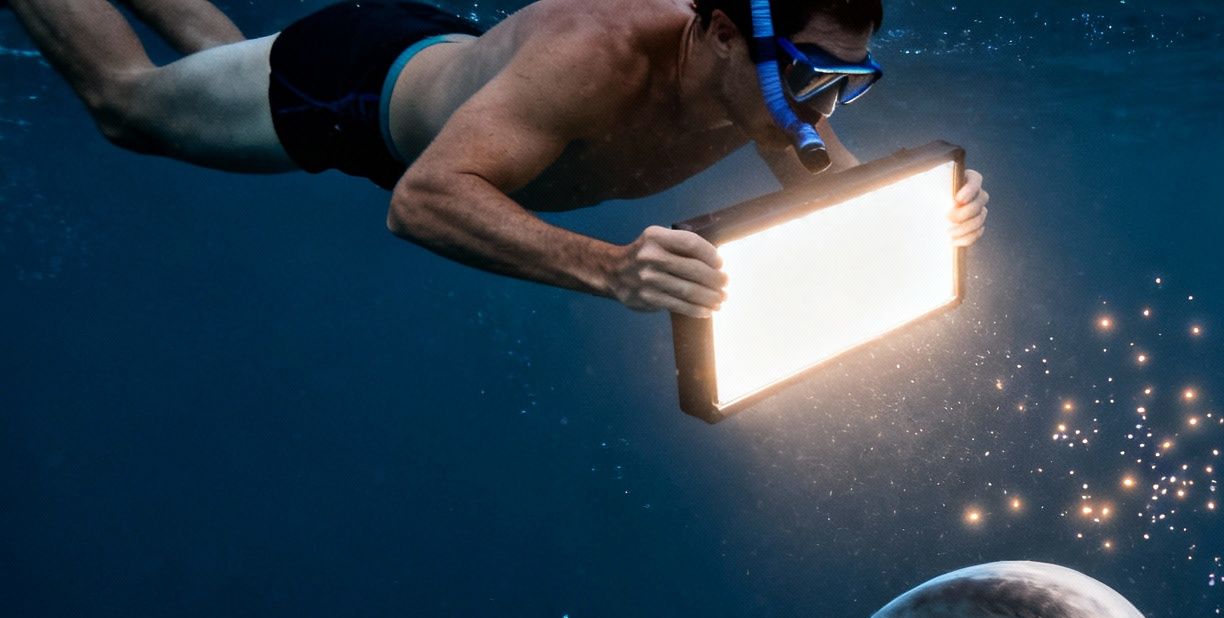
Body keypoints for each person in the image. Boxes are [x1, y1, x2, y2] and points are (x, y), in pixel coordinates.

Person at [7, 0, 991, 319]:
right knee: (130, 106)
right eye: (810, 73)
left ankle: (221, 66)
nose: (817, 106)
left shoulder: (761, 85)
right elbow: (426, 201)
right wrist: (610, 269)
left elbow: (833, 186)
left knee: (215, 67)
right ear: (726, 33)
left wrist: (920, 216)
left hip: (461, 70)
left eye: (842, 80)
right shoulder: (597, 59)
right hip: (347, 90)